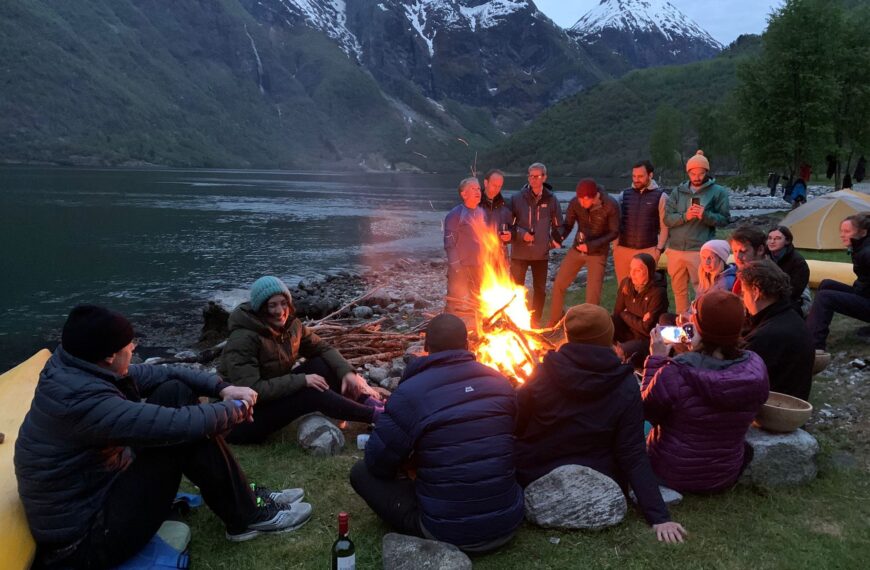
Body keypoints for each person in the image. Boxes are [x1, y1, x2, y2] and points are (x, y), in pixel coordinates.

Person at [15, 305, 313, 568]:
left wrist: (222, 388)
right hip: (86, 542)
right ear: (108, 356)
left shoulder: (77, 366)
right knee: (180, 434)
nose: (134, 349)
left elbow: (163, 374)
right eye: (129, 345)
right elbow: (175, 424)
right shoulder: (81, 401)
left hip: (102, 493)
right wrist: (237, 408)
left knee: (174, 391)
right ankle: (247, 515)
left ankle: (244, 500)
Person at [349, 313, 524, 553]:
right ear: (468, 344)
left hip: (447, 533)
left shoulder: (410, 393)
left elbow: (378, 463)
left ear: (425, 347)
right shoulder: (501, 383)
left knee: (361, 473)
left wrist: (409, 464)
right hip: (507, 524)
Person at [515, 304, 686, 543]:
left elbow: (517, 423)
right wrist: (659, 516)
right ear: (608, 336)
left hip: (538, 468)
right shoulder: (624, 383)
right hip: (600, 471)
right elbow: (632, 452)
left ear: (569, 336)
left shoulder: (543, 373)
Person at [219, 276, 381, 444]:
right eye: (272, 305)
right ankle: (377, 416)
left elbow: (323, 348)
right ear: (260, 308)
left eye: (283, 303)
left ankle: (370, 403)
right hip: (239, 418)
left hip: (269, 399)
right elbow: (252, 389)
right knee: (311, 392)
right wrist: (302, 380)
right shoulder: (243, 338)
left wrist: (348, 373)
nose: (280, 311)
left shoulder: (291, 327)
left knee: (322, 364)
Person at [641, 290, 769, 493]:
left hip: (672, 472)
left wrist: (656, 360)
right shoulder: (755, 366)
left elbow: (646, 411)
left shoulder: (675, 372)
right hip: (723, 474)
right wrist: (692, 354)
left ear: (699, 327)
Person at [663, 150, 731, 314]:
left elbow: (724, 219)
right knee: (679, 290)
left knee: (701, 288)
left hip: (699, 250)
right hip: (676, 249)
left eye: (701, 173)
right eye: (693, 173)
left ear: (706, 172)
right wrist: (685, 216)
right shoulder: (678, 192)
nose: (697, 177)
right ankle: (682, 321)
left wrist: (705, 215)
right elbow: (667, 219)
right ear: (688, 173)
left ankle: (701, 319)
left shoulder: (718, 192)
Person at [546, 178, 619, 326]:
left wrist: (591, 246)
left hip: (597, 252)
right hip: (577, 249)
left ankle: (590, 326)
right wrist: (559, 237)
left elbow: (614, 232)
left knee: (592, 294)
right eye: (579, 199)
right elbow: (567, 225)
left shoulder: (610, 205)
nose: (581, 203)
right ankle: (554, 320)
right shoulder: (575, 203)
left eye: (585, 200)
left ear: (594, 196)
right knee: (559, 283)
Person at [740, 260, 815, 400]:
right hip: (790, 398)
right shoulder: (788, 315)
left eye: (744, 292)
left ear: (755, 292)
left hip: (773, 410)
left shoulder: (767, 336)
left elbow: (735, 381)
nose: (743, 299)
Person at [806, 213, 870, 353]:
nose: (842, 235)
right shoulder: (860, 247)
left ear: (863, 232)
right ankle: (811, 326)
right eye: (841, 231)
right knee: (826, 284)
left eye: (847, 231)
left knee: (825, 297)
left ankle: (814, 346)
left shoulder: (867, 252)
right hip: (863, 293)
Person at [509, 162, 563, 325]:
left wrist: (552, 243)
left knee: (540, 290)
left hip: (541, 254)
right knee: (516, 289)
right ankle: (515, 321)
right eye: (530, 176)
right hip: (519, 253)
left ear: (544, 177)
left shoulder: (551, 200)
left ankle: (535, 321)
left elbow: (559, 226)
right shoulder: (517, 198)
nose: (533, 179)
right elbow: (509, 226)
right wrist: (521, 234)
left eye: (537, 176)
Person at [614, 160, 669, 285]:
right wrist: (615, 246)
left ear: (650, 175)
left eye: (640, 176)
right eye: (634, 176)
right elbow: (616, 220)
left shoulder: (661, 196)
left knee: (644, 287)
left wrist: (659, 250)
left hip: (648, 249)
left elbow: (665, 226)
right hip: (623, 250)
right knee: (623, 288)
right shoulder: (624, 195)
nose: (636, 179)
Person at [612, 253, 669, 368]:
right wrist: (626, 315)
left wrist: (625, 313)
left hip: (647, 339)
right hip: (628, 330)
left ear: (649, 272)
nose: (632, 274)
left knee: (622, 351)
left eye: (637, 270)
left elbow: (647, 328)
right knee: (606, 323)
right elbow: (617, 313)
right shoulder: (626, 284)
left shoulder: (658, 292)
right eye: (631, 269)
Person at [443, 177, 486, 315]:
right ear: (464, 194)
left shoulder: (481, 212)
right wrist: (456, 268)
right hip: (461, 267)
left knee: (477, 301)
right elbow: (449, 244)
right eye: (473, 189)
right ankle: (448, 331)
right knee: (455, 302)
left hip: (478, 267)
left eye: (479, 188)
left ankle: (475, 330)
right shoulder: (455, 215)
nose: (478, 191)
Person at [766, 225, 810, 315]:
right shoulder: (764, 255)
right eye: (770, 238)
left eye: (777, 238)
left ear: (787, 241)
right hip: (770, 295)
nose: (772, 241)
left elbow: (794, 292)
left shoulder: (798, 262)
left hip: (796, 298)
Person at [727, 225, 767, 296]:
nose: (737, 257)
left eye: (743, 251)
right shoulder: (743, 271)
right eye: (735, 251)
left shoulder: (766, 281)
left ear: (760, 250)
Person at [480, 168, 512, 251]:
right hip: (480, 256)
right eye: (494, 185)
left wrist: (510, 235)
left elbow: (513, 228)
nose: (497, 189)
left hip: (500, 256)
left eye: (499, 186)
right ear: (486, 183)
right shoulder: (475, 205)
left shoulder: (505, 206)